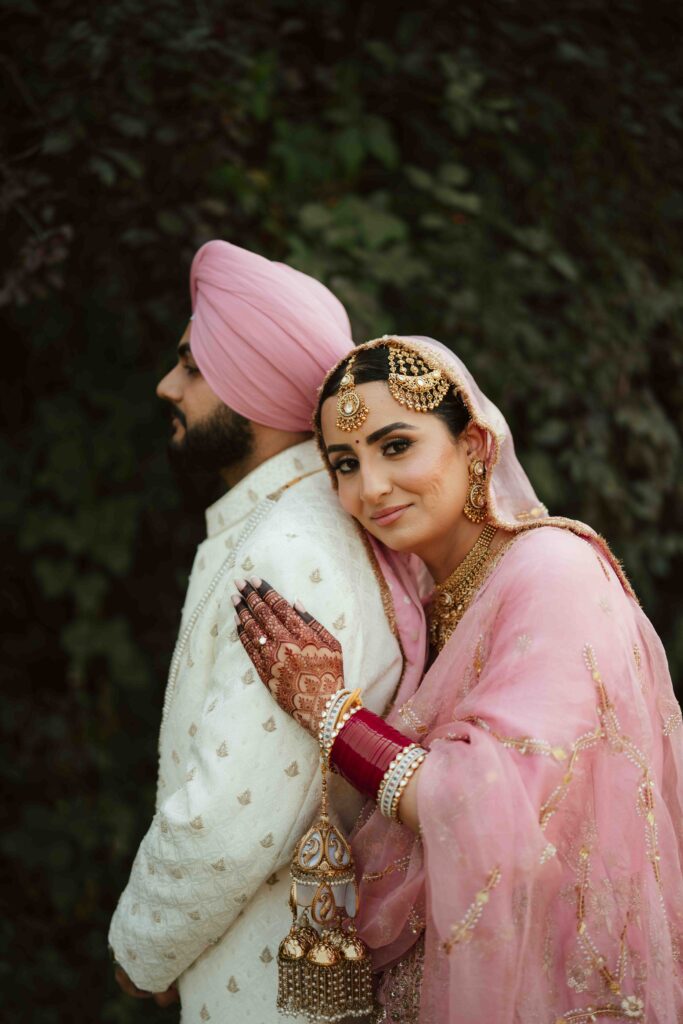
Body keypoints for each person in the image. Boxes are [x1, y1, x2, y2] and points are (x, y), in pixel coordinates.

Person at [234, 335, 683, 1023]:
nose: (370, 487)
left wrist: (332, 717)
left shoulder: (552, 572)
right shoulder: (420, 605)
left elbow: (488, 807)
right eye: (345, 464)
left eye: (395, 446)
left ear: (473, 445)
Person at [108, 247, 419, 1023]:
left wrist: (141, 949)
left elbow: (230, 816)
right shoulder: (285, 524)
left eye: (192, 366)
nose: (167, 386)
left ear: (254, 386)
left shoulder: (288, 548)